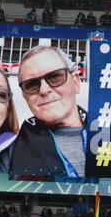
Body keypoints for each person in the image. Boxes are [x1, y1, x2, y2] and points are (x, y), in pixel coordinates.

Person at [9, 46, 88, 181]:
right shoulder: (8, 151)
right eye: (32, 84)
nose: (44, 90)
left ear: (76, 82)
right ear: (25, 96)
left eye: (55, 77)